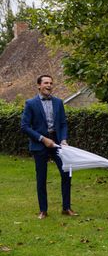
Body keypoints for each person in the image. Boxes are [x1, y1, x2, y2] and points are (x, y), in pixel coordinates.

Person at [20, 75, 76, 219]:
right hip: (40, 145)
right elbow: (25, 126)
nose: (49, 85)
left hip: (57, 144)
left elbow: (63, 123)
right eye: (46, 83)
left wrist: (63, 139)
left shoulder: (58, 102)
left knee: (66, 175)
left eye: (51, 83)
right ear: (39, 85)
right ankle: (43, 210)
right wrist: (42, 139)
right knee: (41, 178)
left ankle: (66, 208)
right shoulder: (30, 103)